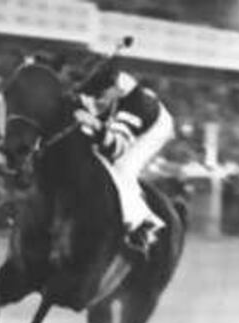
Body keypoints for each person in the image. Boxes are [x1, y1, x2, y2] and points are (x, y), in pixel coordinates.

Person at [73, 59, 174, 258]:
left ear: (115, 88)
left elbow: (116, 148)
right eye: (91, 95)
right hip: (122, 117)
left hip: (154, 129)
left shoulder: (136, 106)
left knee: (122, 168)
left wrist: (97, 127)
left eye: (100, 96)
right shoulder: (109, 93)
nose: (95, 101)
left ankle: (143, 225)